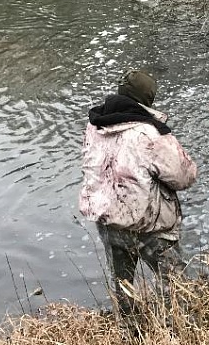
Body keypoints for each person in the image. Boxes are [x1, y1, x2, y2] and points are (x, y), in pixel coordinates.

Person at [79, 69, 197, 318]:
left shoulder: (94, 126)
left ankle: (129, 331)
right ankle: (177, 336)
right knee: (174, 287)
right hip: (149, 226)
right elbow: (184, 176)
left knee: (123, 285)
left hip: (108, 221)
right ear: (148, 100)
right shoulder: (149, 134)